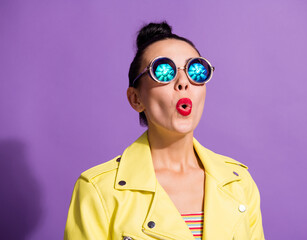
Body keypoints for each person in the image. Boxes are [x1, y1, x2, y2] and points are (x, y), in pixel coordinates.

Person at [64, 21, 265, 240]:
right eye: (163, 71)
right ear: (136, 98)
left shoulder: (239, 183)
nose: (183, 82)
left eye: (196, 70)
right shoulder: (98, 189)